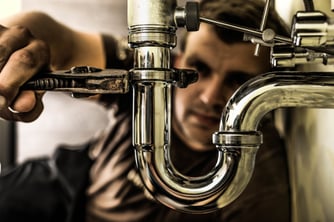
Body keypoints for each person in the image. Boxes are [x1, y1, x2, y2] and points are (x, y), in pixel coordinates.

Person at [0, 0, 291, 221]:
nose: (211, 97)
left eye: (238, 81)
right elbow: (56, 38)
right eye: (199, 69)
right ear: (175, 63)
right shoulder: (151, 73)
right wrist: (14, 45)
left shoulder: (257, 183)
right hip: (68, 181)